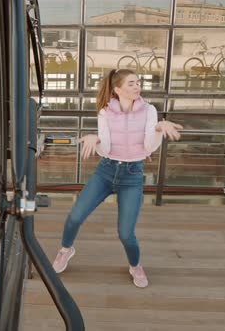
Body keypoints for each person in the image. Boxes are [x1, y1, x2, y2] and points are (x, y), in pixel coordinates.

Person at [51, 69, 183, 288]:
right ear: (118, 89)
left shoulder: (149, 110)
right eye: (131, 83)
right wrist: (95, 138)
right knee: (75, 217)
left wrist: (159, 128)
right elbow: (107, 147)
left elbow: (149, 147)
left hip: (132, 175)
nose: (137, 86)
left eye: (138, 83)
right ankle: (66, 250)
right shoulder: (105, 112)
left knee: (125, 233)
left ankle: (135, 266)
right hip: (106, 171)